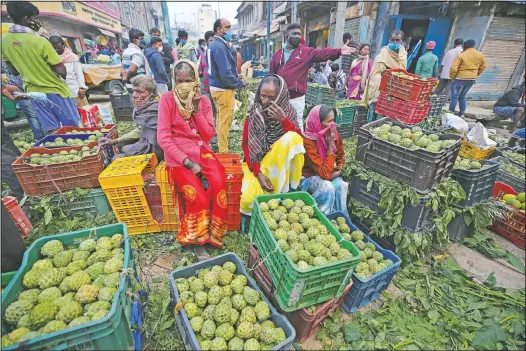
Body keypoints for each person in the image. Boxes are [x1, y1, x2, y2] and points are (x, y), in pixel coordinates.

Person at [157, 60, 227, 248]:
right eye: (179, 81)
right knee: (198, 198)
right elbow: (163, 138)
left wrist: (195, 109)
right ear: (174, 81)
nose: (183, 85)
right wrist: (186, 161)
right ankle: (195, 238)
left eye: (188, 80)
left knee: (220, 184)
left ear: (195, 79)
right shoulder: (167, 100)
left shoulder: (203, 101)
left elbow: (208, 134)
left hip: (202, 150)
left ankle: (214, 233)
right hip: (178, 157)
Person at [2, 1, 80, 133]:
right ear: (27, 19)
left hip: (32, 92)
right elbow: (61, 70)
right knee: (73, 129)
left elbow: (13, 71)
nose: (37, 21)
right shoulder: (40, 40)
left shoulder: (3, 41)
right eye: (35, 18)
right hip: (56, 90)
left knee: (53, 131)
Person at [270, 23, 356, 130]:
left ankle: (299, 145)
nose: (297, 36)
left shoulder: (306, 52)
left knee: (296, 124)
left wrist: (338, 51)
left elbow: (322, 53)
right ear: (286, 36)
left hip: (296, 98)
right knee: (279, 124)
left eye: (299, 34)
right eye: (294, 34)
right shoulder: (278, 54)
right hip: (280, 98)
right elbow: (272, 76)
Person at [240, 75, 305, 215]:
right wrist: (258, 173)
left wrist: (284, 120)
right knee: (248, 200)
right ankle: (273, 188)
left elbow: (299, 142)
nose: (266, 102)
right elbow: (246, 146)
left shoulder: (289, 112)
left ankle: (288, 188)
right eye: (263, 96)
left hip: (282, 166)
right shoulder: (254, 113)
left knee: (293, 137)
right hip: (257, 163)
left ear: (280, 96)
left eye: (272, 97)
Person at [99, 75, 164, 161]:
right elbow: (140, 130)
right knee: (121, 145)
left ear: (152, 95)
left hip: (157, 150)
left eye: (140, 92)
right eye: (133, 91)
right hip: (146, 143)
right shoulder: (144, 109)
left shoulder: (157, 110)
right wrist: (115, 141)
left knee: (116, 158)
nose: (134, 95)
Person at [301, 105, 348, 215]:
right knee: (327, 187)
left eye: (333, 120)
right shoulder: (308, 142)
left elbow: (341, 156)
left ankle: (339, 216)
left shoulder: (333, 133)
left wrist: (339, 169)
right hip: (309, 178)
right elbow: (325, 174)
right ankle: (322, 216)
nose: (333, 125)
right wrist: (330, 148)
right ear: (317, 123)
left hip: (331, 172)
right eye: (329, 121)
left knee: (341, 186)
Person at [208, 18, 244, 153]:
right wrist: (239, 83)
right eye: (227, 27)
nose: (230, 30)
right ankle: (223, 151)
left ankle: (221, 143)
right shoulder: (219, 46)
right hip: (223, 89)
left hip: (217, 87)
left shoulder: (217, 44)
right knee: (225, 121)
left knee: (220, 118)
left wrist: (236, 77)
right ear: (219, 29)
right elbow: (225, 72)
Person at [363, 30, 407, 121]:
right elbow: (377, 71)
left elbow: (402, 70)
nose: (395, 42)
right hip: (380, 85)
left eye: (397, 40)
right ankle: (370, 124)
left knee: (388, 111)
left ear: (401, 41)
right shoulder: (384, 52)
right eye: (393, 40)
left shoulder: (403, 53)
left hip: (395, 86)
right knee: (375, 108)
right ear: (389, 40)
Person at [1, 60, 44, 140]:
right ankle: (44, 137)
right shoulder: (26, 69)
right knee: (39, 115)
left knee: (32, 117)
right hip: (29, 92)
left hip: (21, 93)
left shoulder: (12, 71)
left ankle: (39, 139)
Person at [449, 39, 487, 117]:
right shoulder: (480, 55)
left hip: (460, 78)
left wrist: (452, 77)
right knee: (463, 96)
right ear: (473, 46)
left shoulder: (462, 55)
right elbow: (483, 67)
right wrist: (476, 74)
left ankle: (451, 112)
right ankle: (462, 113)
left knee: (454, 96)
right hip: (471, 79)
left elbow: (453, 68)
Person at [49, 36, 89, 107]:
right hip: (61, 93)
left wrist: (81, 88)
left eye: (59, 48)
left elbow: (79, 74)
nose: (57, 50)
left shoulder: (72, 58)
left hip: (75, 92)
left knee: (83, 112)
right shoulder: (51, 59)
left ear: (63, 46)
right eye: (54, 48)